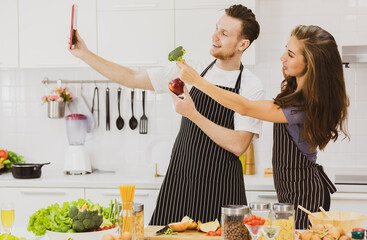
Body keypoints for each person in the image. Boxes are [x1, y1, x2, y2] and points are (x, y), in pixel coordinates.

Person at [69, 4, 264, 225]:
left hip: (221, 188)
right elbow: (132, 77)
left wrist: (192, 114)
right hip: (180, 181)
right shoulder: (192, 69)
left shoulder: (250, 86)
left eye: (224, 33)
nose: (214, 36)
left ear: (243, 44)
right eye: (217, 28)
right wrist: (84, 55)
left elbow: (239, 144)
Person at [174, 25, 350, 229]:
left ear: (311, 64)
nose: (283, 57)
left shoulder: (302, 106)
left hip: (305, 196)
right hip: (293, 192)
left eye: (291, 55)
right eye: (286, 49)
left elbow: (245, 107)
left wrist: (198, 81)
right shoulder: (297, 96)